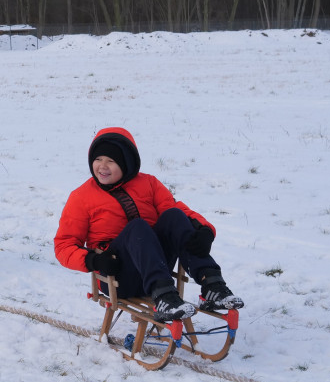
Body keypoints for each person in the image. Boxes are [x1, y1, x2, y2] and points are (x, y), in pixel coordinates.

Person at [53, 127, 244, 322]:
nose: (102, 166)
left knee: (174, 215)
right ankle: (164, 297)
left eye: (111, 161)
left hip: (158, 266)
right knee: (138, 227)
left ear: (126, 163)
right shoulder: (81, 197)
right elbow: (63, 246)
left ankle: (212, 284)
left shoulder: (149, 183)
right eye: (97, 159)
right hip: (118, 276)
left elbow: (175, 210)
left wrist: (205, 230)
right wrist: (94, 260)